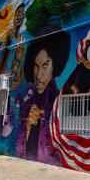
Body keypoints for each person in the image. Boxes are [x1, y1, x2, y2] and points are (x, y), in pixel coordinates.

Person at [16, 30, 69, 164]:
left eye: (45, 65)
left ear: (54, 66)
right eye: (36, 66)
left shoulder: (60, 104)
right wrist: (27, 127)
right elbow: (18, 152)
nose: (39, 75)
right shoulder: (26, 107)